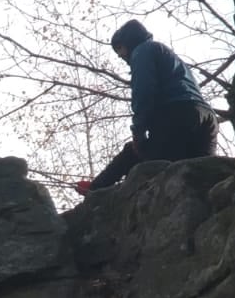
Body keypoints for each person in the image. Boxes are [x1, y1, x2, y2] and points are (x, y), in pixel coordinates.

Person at [76, 20, 219, 194]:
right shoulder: (168, 55)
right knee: (205, 174)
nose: (121, 57)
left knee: (138, 154)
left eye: (120, 49)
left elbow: (143, 91)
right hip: (206, 116)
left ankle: (96, 190)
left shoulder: (142, 51)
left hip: (178, 113)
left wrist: (138, 131)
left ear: (127, 42)